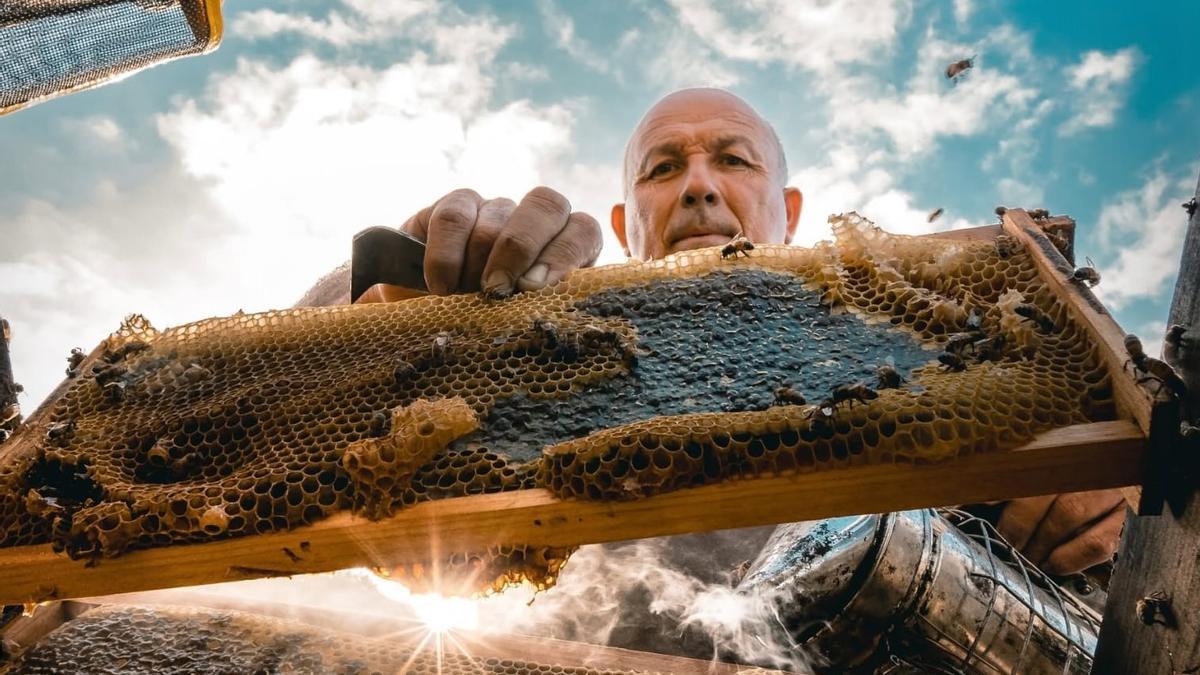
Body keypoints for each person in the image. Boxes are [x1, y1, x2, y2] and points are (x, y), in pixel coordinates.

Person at [299, 87, 1125, 577]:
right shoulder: (546, 362)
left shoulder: (926, 340)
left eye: (733, 159)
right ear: (627, 223)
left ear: (790, 211)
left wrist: (1113, 508)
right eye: (664, 168)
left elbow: (1121, 514)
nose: (698, 186)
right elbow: (270, 426)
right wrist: (379, 303)